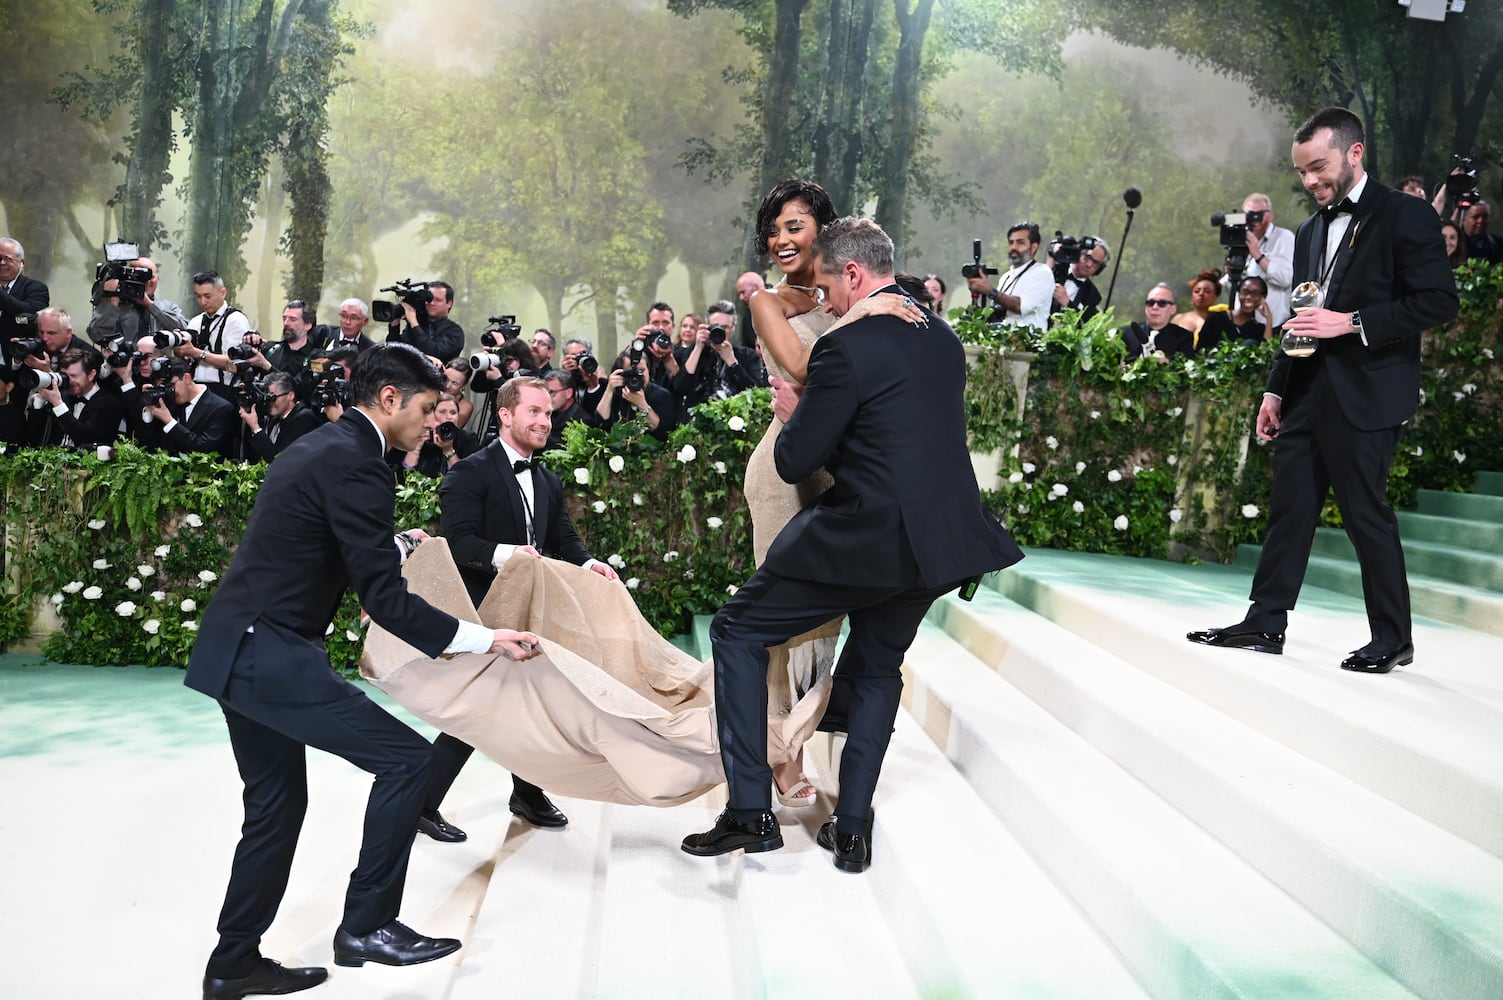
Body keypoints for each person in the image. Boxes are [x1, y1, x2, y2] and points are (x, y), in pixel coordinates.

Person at [184, 344, 541, 999]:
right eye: (429, 408)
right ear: (388, 399)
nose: (435, 422)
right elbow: (386, 600)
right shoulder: (360, 466)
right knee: (407, 762)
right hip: (272, 655)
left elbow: (318, 540)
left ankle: (233, 962)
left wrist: (392, 541)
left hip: (234, 648)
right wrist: (485, 638)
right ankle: (368, 927)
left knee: (274, 807)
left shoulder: (322, 446)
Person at [682, 217, 1022, 873]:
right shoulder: (941, 337)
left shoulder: (845, 344)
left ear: (854, 274)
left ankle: (749, 812)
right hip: (941, 543)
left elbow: (795, 462)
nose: (827, 300)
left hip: (866, 536)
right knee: (874, 671)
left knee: (735, 631)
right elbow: (898, 437)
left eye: (829, 286)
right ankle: (853, 827)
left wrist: (791, 417)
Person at [1187, 106, 1458, 674]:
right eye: (1302, 173)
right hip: (1307, 388)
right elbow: (1303, 316)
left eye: (1319, 167)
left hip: (1368, 390)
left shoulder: (1405, 215)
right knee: (1290, 509)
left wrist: (1351, 322)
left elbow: (1438, 301)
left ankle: (1393, 637)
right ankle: (1265, 621)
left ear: (1354, 153)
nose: (1310, 181)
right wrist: (1275, 390)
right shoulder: (1310, 230)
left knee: (1365, 514)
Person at [740, 180, 926, 807]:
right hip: (784, 466)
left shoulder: (852, 293)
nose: (781, 240)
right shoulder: (771, 302)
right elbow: (801, 369)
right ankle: (778, 759)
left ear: (826, 230)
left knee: (824, 622)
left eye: (794, 226)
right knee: (778, 618)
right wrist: (870, 311)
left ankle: (798, 735)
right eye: (774, 230)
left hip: (837, 470)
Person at [418, 376, 621, 842]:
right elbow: (460, 542)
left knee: (527, 703)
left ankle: (523, 794)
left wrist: (589, 563)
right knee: (476, 710)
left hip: (531, 610)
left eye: (548, 413)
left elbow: (562, 538)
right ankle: (421, 803)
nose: (544, 421)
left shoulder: (546, 478)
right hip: (484, 611)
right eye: (534, 411)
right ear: (505, 415)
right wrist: (512, 554)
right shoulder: (470, 471)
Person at [965, 222, 1053, 332]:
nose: (1014, 247)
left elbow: (1021, 306)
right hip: (1001, 344)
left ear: (1034, 247)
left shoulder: (1042, 272)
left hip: (1027, 345)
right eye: (1011, 242)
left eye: (1020, 243)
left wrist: (991, 292)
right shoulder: (1005, 277)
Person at [1239, 193, 1296, 325]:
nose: (1254, 219)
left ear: (1270, 215)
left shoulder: (1284, 237)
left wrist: (1257, 254)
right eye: (1250, 215)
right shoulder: (1242, 238)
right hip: (1246, 322)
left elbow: (1285, 279)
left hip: (1273, 322)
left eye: (1258, 214)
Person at [0, 237, 49, 367]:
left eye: (8, 258)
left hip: (16, 363)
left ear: (22, 262)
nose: (2, 263)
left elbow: (27, 312)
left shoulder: (36, 288)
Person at [1119, 284, 1196, 361]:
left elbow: (1185, 366)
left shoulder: (1184, 337)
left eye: (1162, 303)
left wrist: (1167, 363)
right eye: (1150, 303)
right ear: (1145, 307)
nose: (1155, 307)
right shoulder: (1125, 333)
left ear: (1173, 309)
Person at [1172, 269, 1222, 339]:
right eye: (1197, 291)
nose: (1201, 294)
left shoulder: (1220, 321)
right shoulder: (1178, 318)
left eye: (1207, 291)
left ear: (1216, 296)